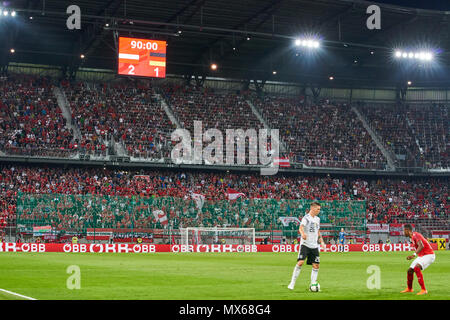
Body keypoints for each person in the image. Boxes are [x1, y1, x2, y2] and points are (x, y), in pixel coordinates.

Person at [288, 202, 326, 291]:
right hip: (305, 244)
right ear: (312, 208)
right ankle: (292, 283)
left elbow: (318, 231)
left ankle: (313, 284)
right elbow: (300, 227)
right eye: (318, 209)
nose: (319, 211)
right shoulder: (306, 218)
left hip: (314, 246)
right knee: (300, 262)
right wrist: (302, 233)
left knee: (316, 265)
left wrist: (322, 241)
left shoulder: (318, 219)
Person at [400, 224, 435, 295]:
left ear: (408, 230)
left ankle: (424, 290)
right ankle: (409, 289)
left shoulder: (415, 235)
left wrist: (413, 255)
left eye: (404, 231)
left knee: (416, 268)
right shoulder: (413, 237)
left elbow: (421, 246)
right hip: (422, 256)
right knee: (410, 271)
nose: (403, 233)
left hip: (429, 255)